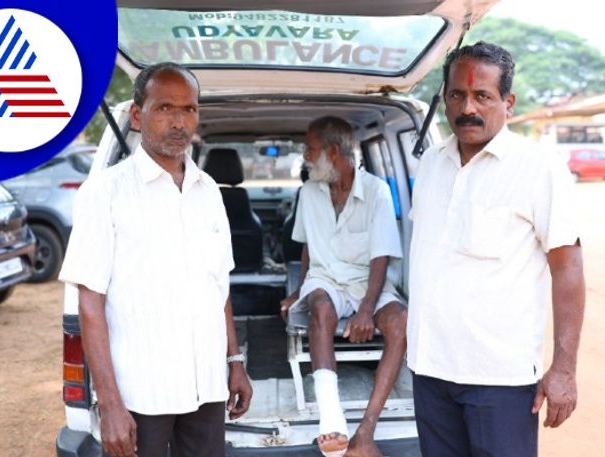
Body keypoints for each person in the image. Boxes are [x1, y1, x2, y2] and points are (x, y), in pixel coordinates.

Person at [58, 62, 252, 457]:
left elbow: (219, 286)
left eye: (189, 109)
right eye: (165, 108)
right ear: (137, 114)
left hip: (206, 388)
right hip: (140, 395)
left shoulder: (208, 190)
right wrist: (110, 404)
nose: (179, 121)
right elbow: (89, 303)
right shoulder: (105, 192)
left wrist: (234, 361)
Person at [407, 41, 586, 457]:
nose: (467, 107)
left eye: (482, 96)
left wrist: (564, 368)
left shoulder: (537, 167)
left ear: (508, 102)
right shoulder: (432, 163)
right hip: (429, 368)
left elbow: (568, 267)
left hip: (497, 378)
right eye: (457, 95)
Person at [280, 116, 407, 457]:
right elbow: (308, 246)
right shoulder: (308, 192)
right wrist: (299, 289)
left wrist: (367, 309)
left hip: (368, 282)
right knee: (320, 307)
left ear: (333, 152)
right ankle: (331, 420)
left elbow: (380, 256)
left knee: (400, 323)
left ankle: (366, 430)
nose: (305, 156)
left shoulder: (377, 191)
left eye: (310, 149)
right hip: (325, 279)